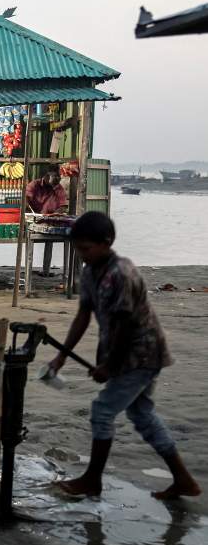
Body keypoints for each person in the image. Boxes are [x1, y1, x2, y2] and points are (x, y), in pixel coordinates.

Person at [47, 212, 200, 500]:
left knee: (102, 412)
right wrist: (62, 356)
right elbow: (83, 315)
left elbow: (126, 326)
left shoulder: (122, 274)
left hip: (141, 354)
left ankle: (93, 480)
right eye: (78, 249)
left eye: (86, 249)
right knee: (142, 414)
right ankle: (183, 480)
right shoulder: (91, 272)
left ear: (107, 243)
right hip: (122, 353)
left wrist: (109, 365)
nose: (82, 256)